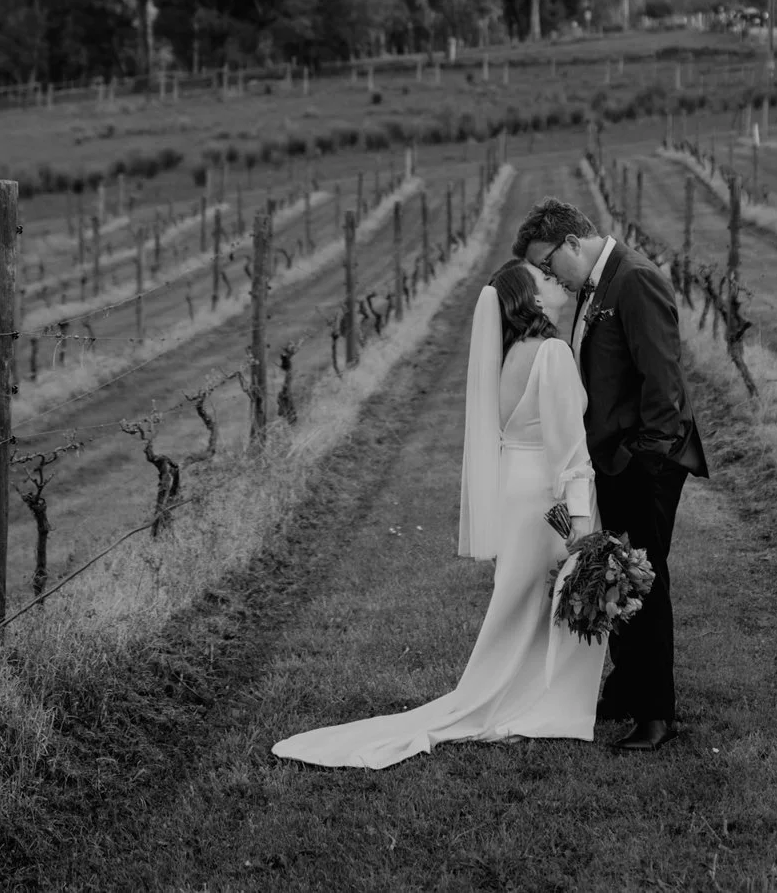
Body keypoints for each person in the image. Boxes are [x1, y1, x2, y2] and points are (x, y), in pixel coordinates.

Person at [271, 260, 607, 768]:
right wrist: (582, 525)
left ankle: (519, 694)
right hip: (546, 493)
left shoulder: (508, 354)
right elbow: (569, 449)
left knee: (521, 600)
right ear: (532, 301)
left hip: (515, 490)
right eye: (543, 280)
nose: (554, 282)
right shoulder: (553, 353)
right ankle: (533, 702)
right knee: (550, 595)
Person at [514, 197, 710, 753]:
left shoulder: (636, 280)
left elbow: (663, 387)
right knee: (616, 574)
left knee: (645, 582)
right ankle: (626, 689)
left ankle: (657, 714)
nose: (549, 275)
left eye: (549, 262)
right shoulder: (596, 286)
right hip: (612, 461)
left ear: (572, 242)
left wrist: (638, 463)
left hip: (643, 464)